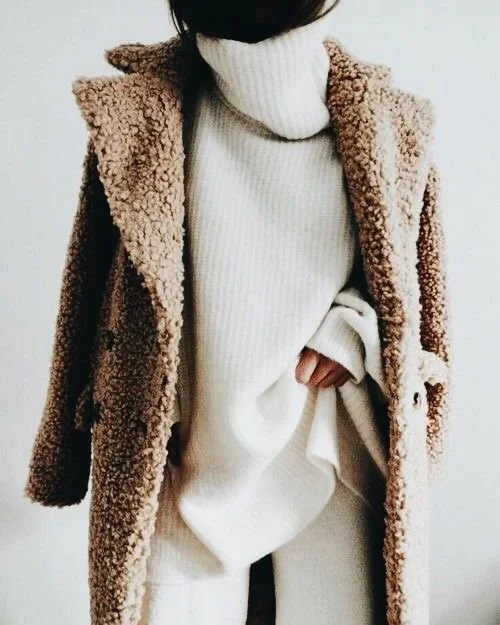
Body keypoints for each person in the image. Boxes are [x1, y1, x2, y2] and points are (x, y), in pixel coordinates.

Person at [138, 1, 390, 623]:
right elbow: (108, 288)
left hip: (329, 433)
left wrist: (351, 330)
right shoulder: (144, 112)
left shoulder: (383, 120)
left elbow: (408, 289)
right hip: (181, 446)